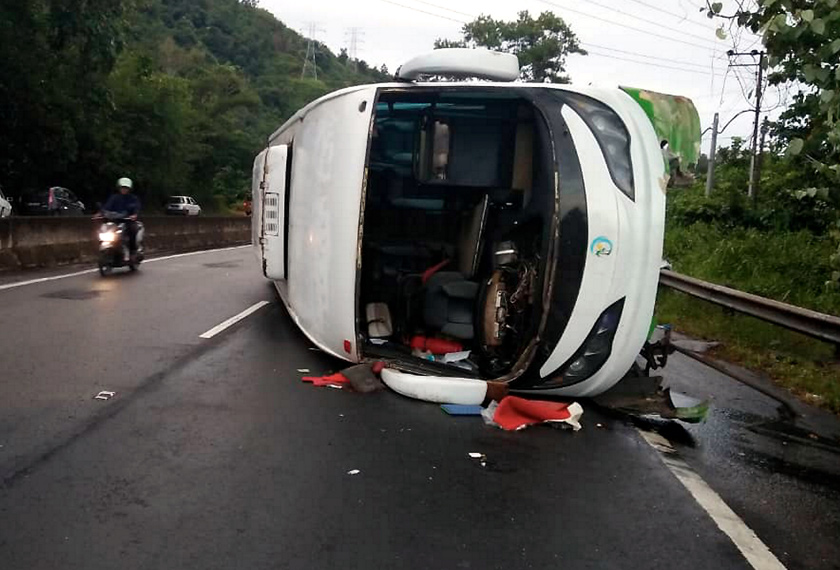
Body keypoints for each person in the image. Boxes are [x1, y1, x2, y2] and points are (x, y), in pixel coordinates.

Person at [103, 177, 141, 259]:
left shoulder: (133, 198)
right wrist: (101, 213)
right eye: (122, 188)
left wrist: (134, 215)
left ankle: (132, 251)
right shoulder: (114, 198)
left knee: (132, 230)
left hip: (128, 221)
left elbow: (136, 207)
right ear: (119, 188)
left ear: (129, 189)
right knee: (104, 230)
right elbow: (107, 207)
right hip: (115, 221)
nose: (124, 190)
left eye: (126, 188)